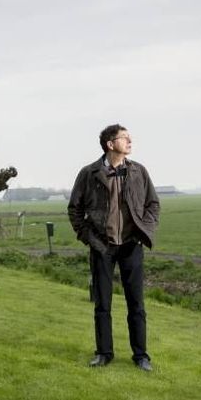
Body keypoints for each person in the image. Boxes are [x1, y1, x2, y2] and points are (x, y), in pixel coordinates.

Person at [67, 124, 160, 371]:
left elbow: (152, 204)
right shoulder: (89, 173)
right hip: (102, 247)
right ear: (110, 144)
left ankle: (141, 356)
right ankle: (104, 353)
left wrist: (145, 231)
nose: (130, 141)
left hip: (132, 245)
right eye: (125, 138)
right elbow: (74, 209)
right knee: (102, 304)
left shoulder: (139, 172)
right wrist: (89, 238)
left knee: (136, 304)